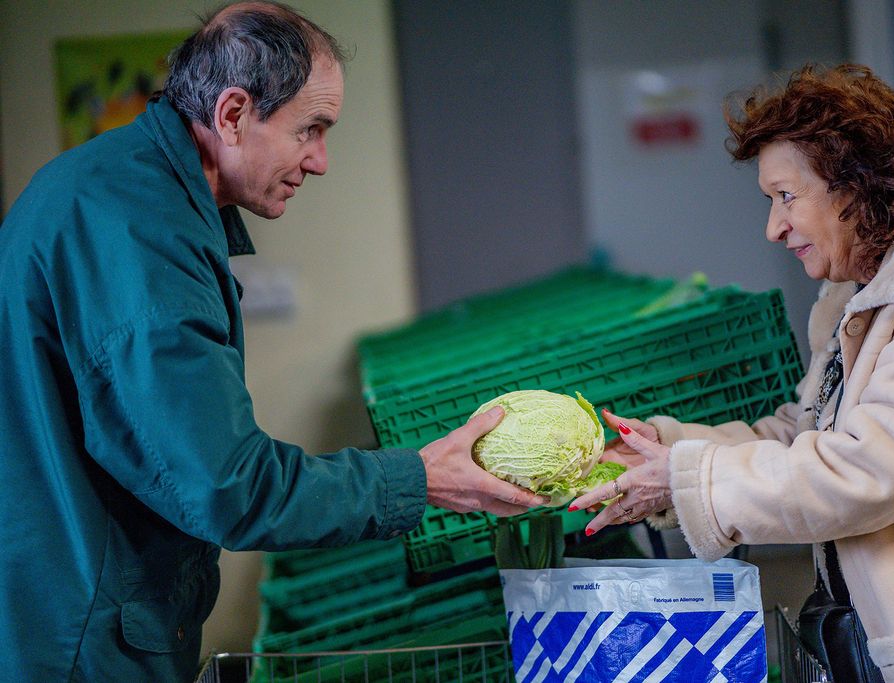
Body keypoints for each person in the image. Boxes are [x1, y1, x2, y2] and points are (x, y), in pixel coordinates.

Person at [0, 3, 544, 681]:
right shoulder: (139, 235)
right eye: (309, 130)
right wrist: (420, 478)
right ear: (231, 115)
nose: (319, 161)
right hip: (81, 641)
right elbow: (228, 484)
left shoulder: (114, 188)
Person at [571, 63, 894, 681]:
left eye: (787, 197)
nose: (774, 227)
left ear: (859, 183)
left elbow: (873, 469)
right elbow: (806, 437)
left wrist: (685, 480)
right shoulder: (865, 288)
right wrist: (668, 452)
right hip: (871, 633)